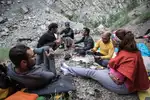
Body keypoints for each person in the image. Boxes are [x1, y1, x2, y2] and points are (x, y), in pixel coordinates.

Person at [61, 29, 150, 94]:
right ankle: (69, 70)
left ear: (118, 42)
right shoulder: (134, 52)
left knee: (91, 72)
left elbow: (118, 80)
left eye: (113, 40)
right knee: (100, 68)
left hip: (123, 86)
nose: (112, 41)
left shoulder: (126, 55)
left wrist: (110, 72)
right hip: (127, 81)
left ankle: (69, 69)